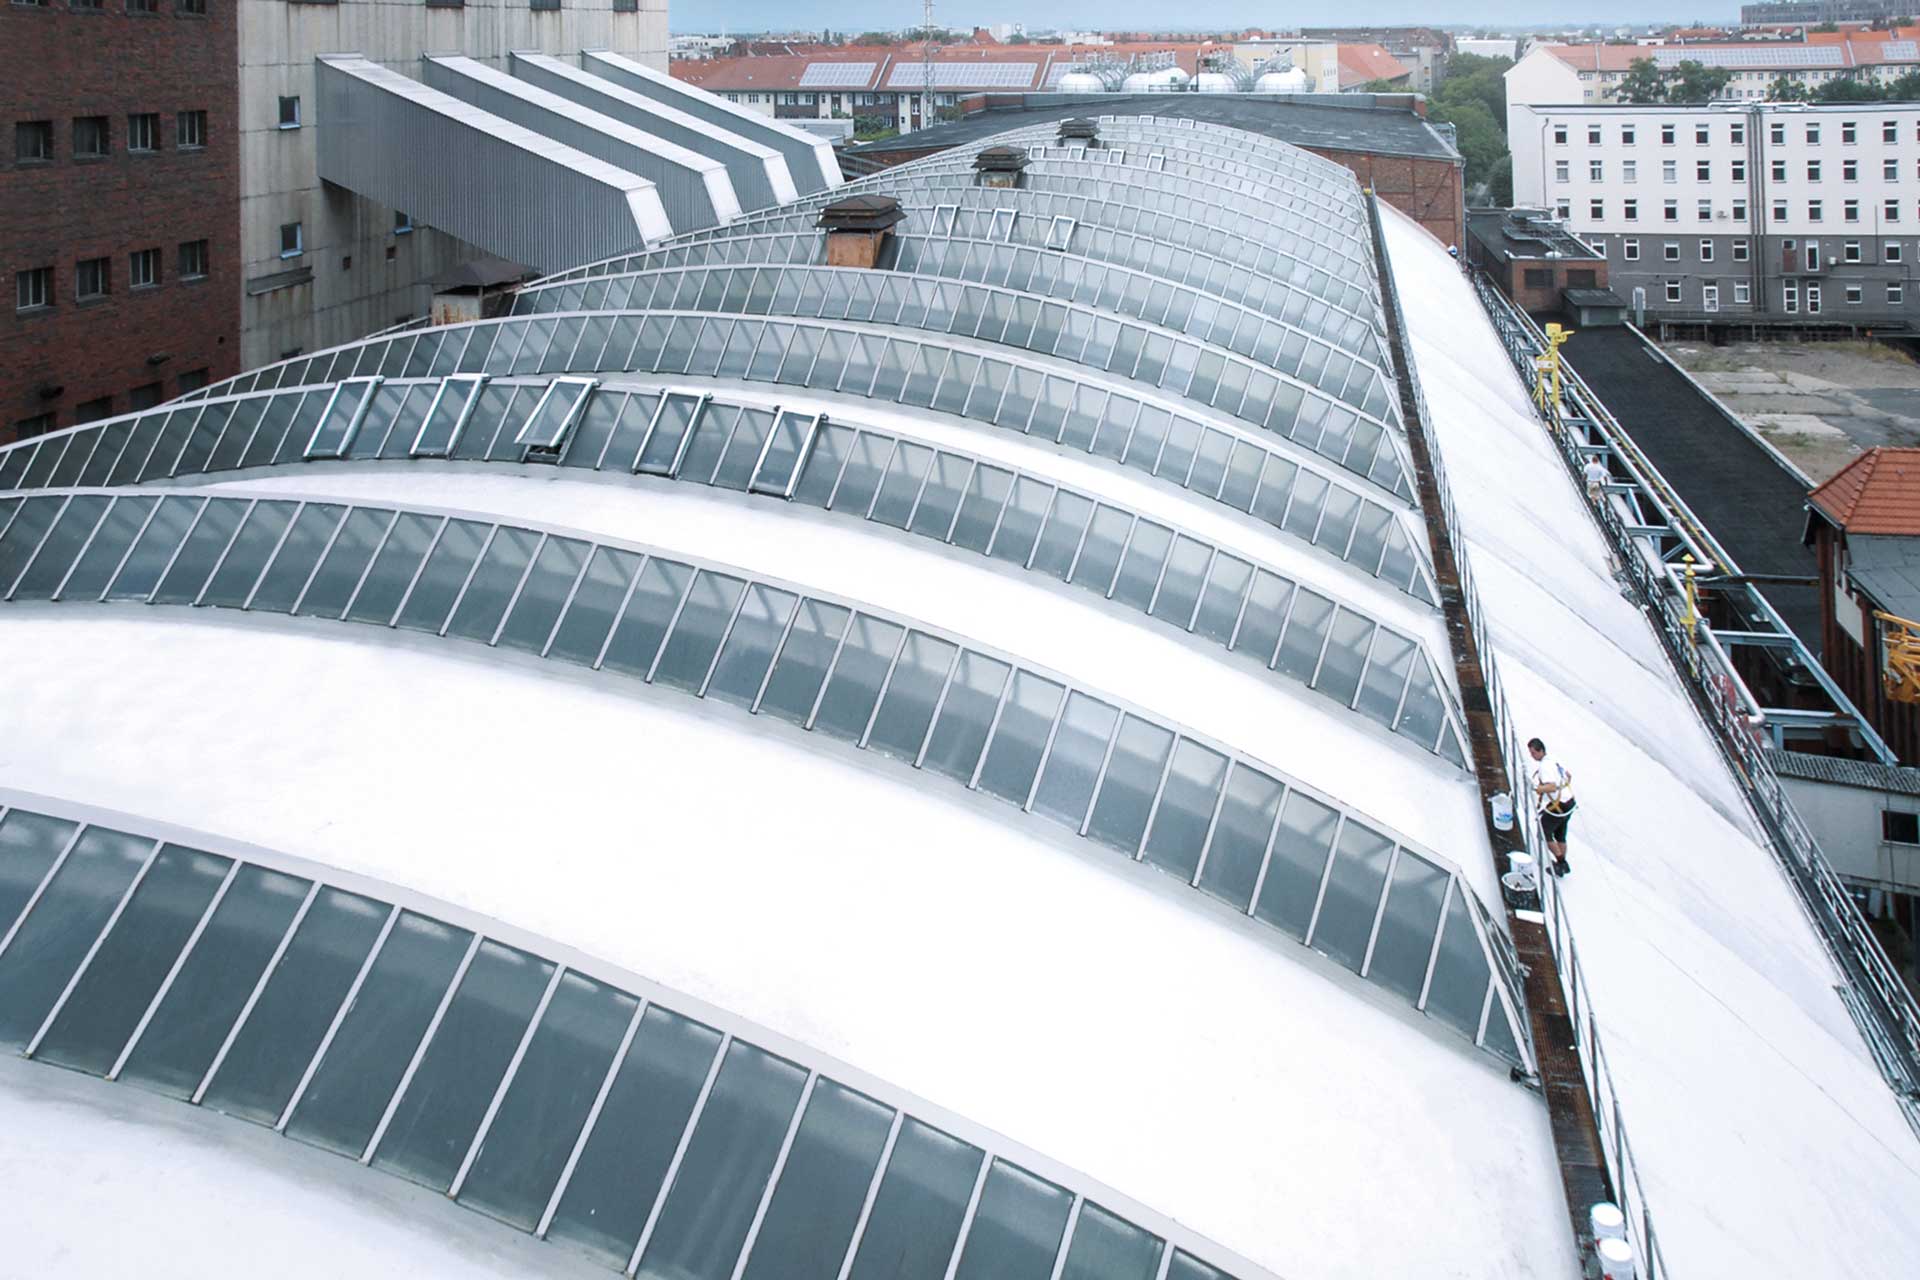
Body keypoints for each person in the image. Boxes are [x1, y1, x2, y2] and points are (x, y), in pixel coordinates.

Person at [1526, 737, 1577, 876]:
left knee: (1544, 831)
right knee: (1560, 834)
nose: (1532, 756)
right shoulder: (1554, 759)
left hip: (1559, 805)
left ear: (1540, 750)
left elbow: (1551, 787)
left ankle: (1561, 863)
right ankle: (1562, 863)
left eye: (1533, 753)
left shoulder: (1544, 767)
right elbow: (1568, 776)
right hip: (1569, 802)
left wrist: (1537, 788)